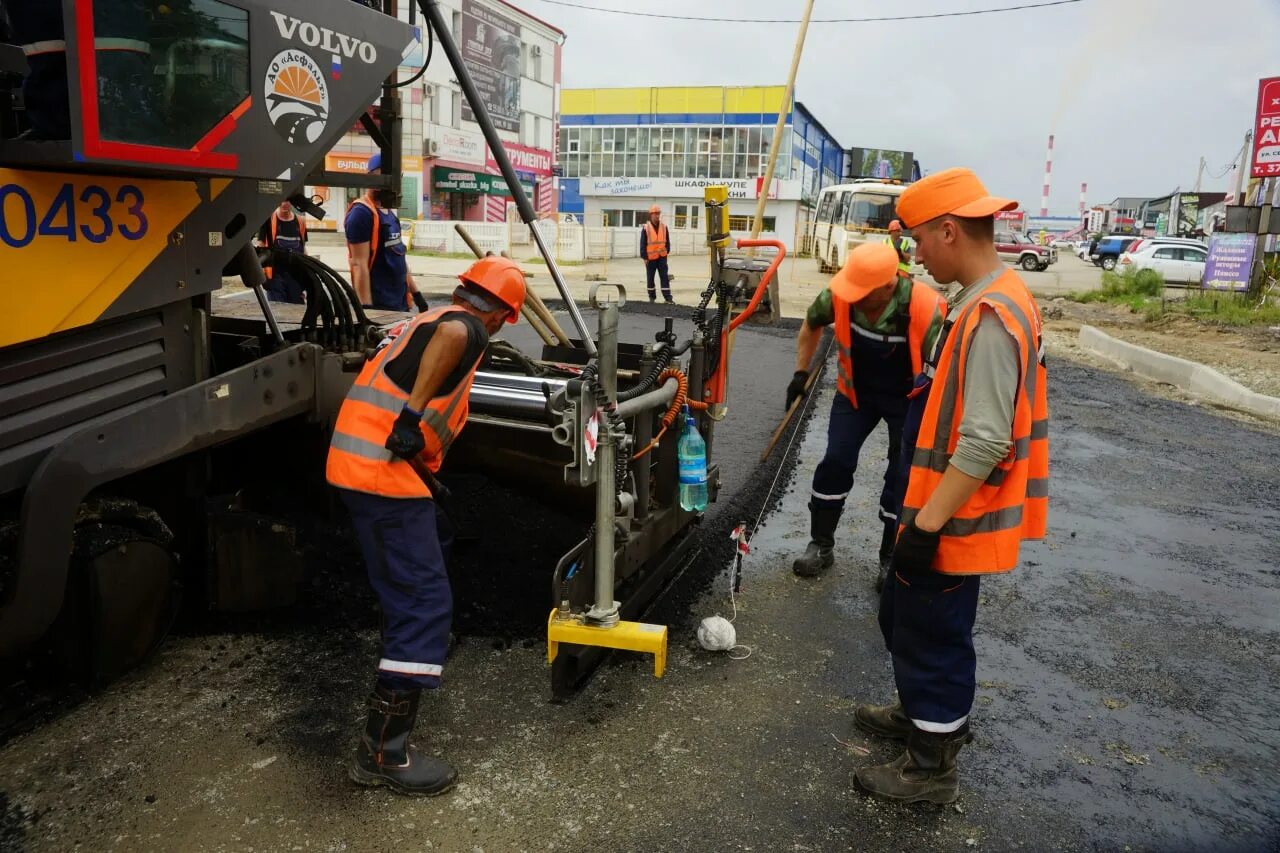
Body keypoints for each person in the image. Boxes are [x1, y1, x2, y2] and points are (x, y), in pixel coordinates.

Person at [852, 167, 1048, 805]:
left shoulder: (991, 315)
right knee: (903, 617)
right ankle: (920, 719)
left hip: (953, 521)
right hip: (936, 513)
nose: (912, 256)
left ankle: (931, 769)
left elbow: (986, 441)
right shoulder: (981, 299)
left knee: (934, 636)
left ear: (947, 230)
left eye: (915, 241)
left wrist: (927, 526)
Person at [325, 256, 527, 796]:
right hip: (381, 476)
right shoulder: (466, 329)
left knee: (432, 545)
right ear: (506, 315)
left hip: (364, 468)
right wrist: (412, 418)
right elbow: (459, 337)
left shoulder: (429, 316)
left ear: (465, 288)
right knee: (424, 603)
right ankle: (383, 753)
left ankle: (412, 653)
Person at [787, 242, 944, 591]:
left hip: (908, 399)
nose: (853, 296)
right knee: (835, 461)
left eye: (863, 291)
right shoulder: (842, 294)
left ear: (888, 285)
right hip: (855, 393)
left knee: (902, 477)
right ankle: (821, 545)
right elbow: (811, 323)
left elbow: (943, 371)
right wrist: (800, 374)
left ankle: (890, 556)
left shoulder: (924, 307)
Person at [346, 186, 429, 313]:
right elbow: (358, 264)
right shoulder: (361, 213)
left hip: (400, 303)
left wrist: (416, 294)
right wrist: (366, 309)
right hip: (380, 305)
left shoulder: (390, 215)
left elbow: (399, 258)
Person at [259, 201, 308, 304]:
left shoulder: (300, 221)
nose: (285, 203)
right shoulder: (268, 220)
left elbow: (304, 249)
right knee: (277, 309)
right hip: (275, 276)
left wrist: (307, 274)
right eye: (283, 200)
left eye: (288, 200)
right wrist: (261, 273)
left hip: (295, 276)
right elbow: (260, 246)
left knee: (296, 309)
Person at [641, 204, 673, 304]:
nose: (657, 216)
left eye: (658, 214)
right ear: (651, 215)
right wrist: (644, 257)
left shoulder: (664, 227)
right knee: (650, 278)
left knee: (664, 277)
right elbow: (643, 243)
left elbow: (667, 241)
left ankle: (668, 298)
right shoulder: (646, 228)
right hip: (650, 258)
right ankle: (652, 297)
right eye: (655, 214)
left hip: (662, 257)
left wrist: (666, 250)